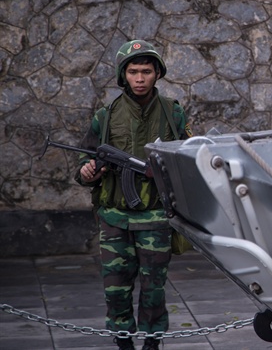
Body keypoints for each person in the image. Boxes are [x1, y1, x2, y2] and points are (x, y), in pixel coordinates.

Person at [76, 40, 193, 350]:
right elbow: (84, 159)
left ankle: (153, 342)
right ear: (122, 75)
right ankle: (123, 341)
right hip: (114, 217)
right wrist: (87, 171)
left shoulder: (173, 113)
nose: (139, 79)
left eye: (146, 71)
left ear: (157, 74)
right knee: (116, 289)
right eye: (133, 72)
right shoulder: (106, 115)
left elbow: (190, 158)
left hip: (155, 217)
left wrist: (164, 171)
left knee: (154, 289)